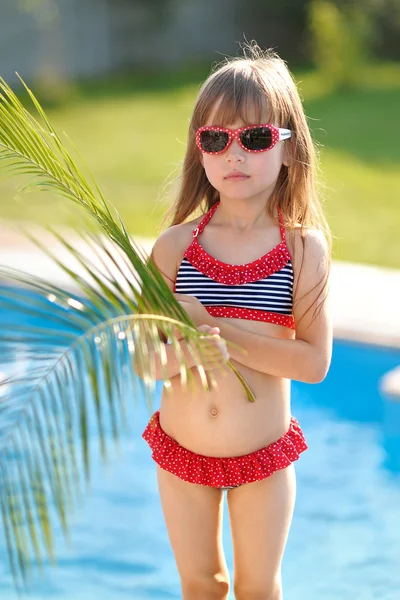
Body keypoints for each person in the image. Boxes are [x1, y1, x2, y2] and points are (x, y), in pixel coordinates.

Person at [141, 42, 332, 600]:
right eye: (216, 139)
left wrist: (227, 336)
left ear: (289, 149)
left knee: (256, 588)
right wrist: (188, 352)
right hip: (182, 449)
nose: (234, 154)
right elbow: (145, 360)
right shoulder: (174, 249)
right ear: (199, 151)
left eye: (254, 138)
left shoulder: (302, 249)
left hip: (263, 456)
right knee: (201, 584)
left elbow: (314, 363)